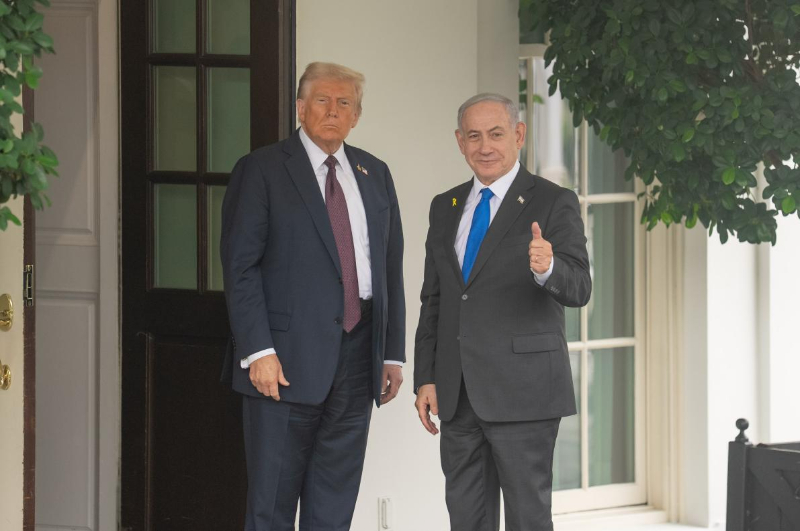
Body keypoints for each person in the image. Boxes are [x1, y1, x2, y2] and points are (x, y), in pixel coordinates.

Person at [220, 62, 405, 531]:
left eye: (345, 103)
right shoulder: (261, 169)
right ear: (301, 108)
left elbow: (389, 268)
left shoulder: (374, 173)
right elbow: (240, 268)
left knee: (334, 506)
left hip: (358, 358)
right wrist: (257, 350)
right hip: (282, 363)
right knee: (272, 507)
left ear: (356, 116)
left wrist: (392, 354)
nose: (333, 110)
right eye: (322, 100)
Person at [414, 93, 591, 530]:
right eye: (473, 136)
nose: (485, 146)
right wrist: (427, 376)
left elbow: (580, 287)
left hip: (525, 395)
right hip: (458, 396)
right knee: (466, 521)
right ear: (460, 142)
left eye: (496, 134)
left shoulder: (553, 201)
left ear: (519, 135)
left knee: (528, 521)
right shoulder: (445, 206)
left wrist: (548, 268)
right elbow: (434, 299)